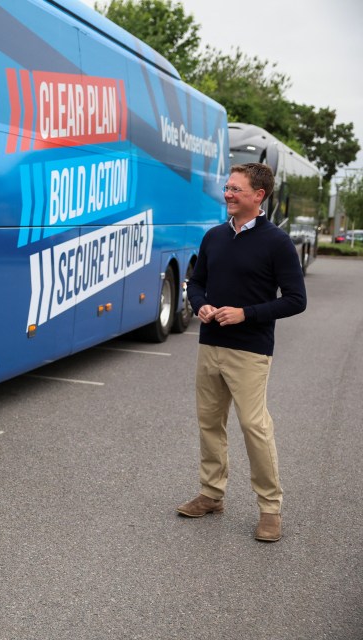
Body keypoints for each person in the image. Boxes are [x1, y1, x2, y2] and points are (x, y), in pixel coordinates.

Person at [177, 163, 306, 542]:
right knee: (209, 423)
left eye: (235, 189)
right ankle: (212, 494)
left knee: (254, 426)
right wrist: (199, 304)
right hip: (210, 347)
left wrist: (245, 314)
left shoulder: (277, 242)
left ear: (258, 195)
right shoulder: (214, 237)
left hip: (250, 352)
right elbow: (196, 282)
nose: (228, 194)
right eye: (227, 188)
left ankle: (270, 509)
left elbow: (297, 300)